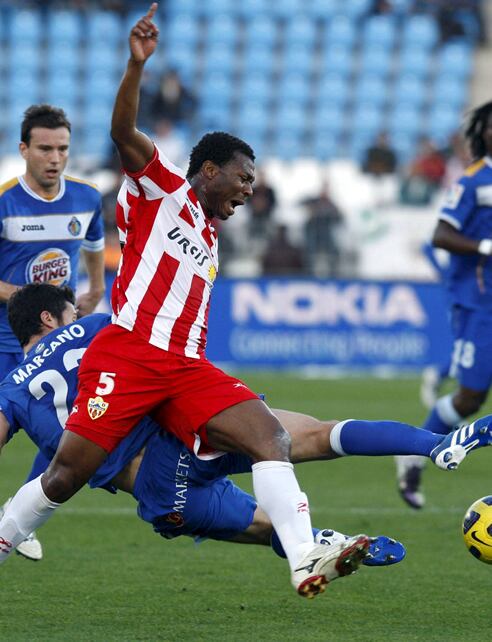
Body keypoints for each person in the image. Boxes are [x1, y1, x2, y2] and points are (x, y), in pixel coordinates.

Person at [0, 6, 487, 598]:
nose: (249, 192)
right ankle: (4, 536)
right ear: (208, 170)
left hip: (186, 369)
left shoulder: (209, 235)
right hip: (128, 353)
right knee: (67, 473)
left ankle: (305, 554)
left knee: (271, 438)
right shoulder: (163, 189)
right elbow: (123, 133)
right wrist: (135, 66)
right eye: (243, 179)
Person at [3, 283, 490, 568]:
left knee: (262, 527)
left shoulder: (14, 393)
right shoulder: (97, 328)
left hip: (159, 492)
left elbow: (61, 463)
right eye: (70, 310)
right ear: (52, 318)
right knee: (318, 435)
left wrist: (17, 523)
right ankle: (437, 444)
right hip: (184, 440)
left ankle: (323, 543)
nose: (78, 313)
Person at [0, 103, 106, 560]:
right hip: (7, 339)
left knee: (68, 430)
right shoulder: (5, 201)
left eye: (62, 148)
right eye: (44, 148)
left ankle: (18, 512)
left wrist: (95, 289)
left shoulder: (85, 197)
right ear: (24, 149)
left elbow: (95, 245)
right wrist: (32, 296)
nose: (55, 158)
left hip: (57, 341)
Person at [397, 100, 492, 507]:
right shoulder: (472, 181)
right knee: (471, 397)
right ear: (484, 133)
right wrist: (486, 246)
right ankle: (413, 453)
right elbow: (440, 234)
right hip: (479, 303)